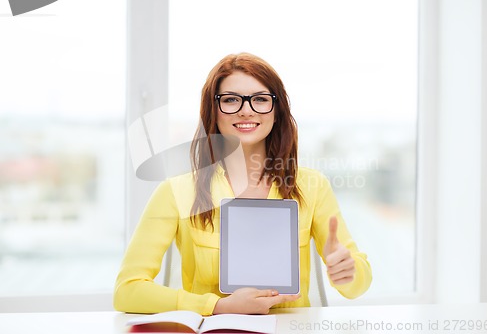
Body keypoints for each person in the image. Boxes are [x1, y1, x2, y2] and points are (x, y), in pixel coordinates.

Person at [114, 53, 372, 315]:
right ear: (212, 110)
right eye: (230, 100)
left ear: (277, 110)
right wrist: (217, 306)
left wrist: (346, 270)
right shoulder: (175, 192)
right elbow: (127, 291)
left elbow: (356, 287)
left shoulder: (312, 186)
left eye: (260, 99)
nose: (246, 109)